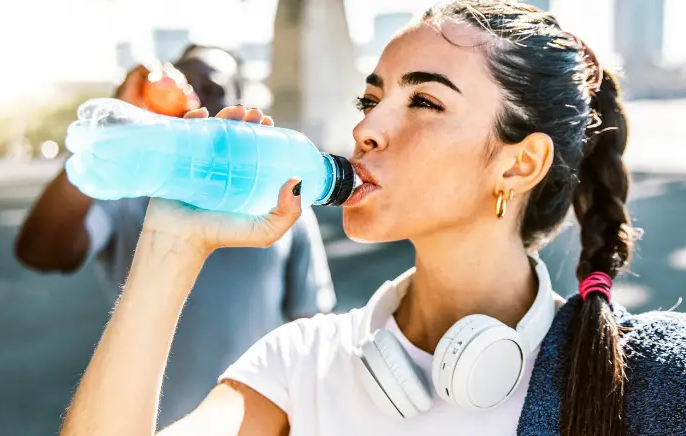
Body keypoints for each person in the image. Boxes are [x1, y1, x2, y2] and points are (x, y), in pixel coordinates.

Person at [58, 2, 686, 436]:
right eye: (370, 98)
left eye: (423, 100)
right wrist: (173, 237)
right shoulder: (299, 363)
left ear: (519, 166)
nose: (365, 129)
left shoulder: (639, 379)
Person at [15, 44, 335, 429]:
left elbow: (310, 328)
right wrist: (106, 141)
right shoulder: (133, 193)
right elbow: (42, 251)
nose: (195, 98)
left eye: (212, 88)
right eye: (187, 82)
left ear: (239, 103)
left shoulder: (283, 202)